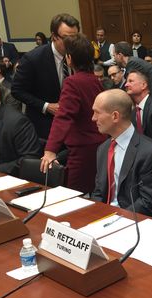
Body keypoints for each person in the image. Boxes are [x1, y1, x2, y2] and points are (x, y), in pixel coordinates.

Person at [40, 34, 106, 194]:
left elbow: (63, 116)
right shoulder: (94, 80)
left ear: (69, 58)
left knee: (75, 196)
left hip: (82, 150)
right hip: (99, 145)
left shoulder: (73, 82)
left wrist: (50, 150)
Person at [91, 89, 152, 219]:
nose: (93, 118)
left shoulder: (150, 152)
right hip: (104, 217)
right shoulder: (103, 149)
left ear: (115, 116)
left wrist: (114, 220)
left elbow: (147, 203)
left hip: (134, 220)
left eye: (97, 112)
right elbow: (99, 192)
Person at [12, 13, 80, 142]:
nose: (72, 43)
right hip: (46, 126)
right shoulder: (33, 59)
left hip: (75, 125)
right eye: (66, 38)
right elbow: (17, 90)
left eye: (75, 38)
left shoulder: (78, 53)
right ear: (54, 36)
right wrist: (46, 106)